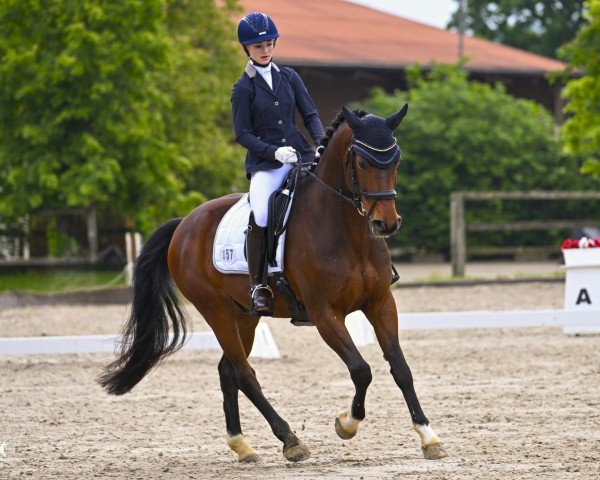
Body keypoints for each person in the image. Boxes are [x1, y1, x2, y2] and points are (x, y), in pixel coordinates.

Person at [232, 12, 325, 315]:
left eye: (269, 44)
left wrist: (321, 141)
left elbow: (310, 114)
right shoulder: (243, 88)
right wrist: (273, 153)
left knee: (334, 195)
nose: (265, 50)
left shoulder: (290, 77)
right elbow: (242, 134)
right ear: (247, 49)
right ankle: (259, 284)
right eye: (259, 46)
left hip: (302, 156)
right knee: (260, 214)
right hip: (266, 165)